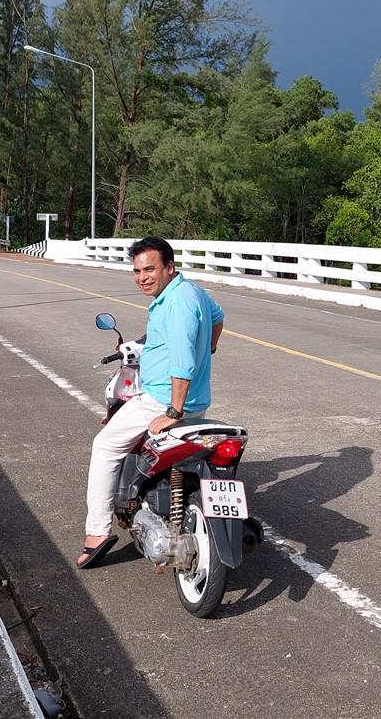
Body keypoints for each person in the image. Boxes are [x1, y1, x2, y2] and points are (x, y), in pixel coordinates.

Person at [77, 235, 224, 568]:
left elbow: (182, 361)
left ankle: (96, 532)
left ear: (169, 267)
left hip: (161, 399)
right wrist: (210, 350)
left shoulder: (175, 303)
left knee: (105, 446)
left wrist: (173, 410)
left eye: (150, 269)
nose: (142, 277)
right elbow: (218, 318)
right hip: (198, 400)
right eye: (137, 270)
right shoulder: (192, 291)